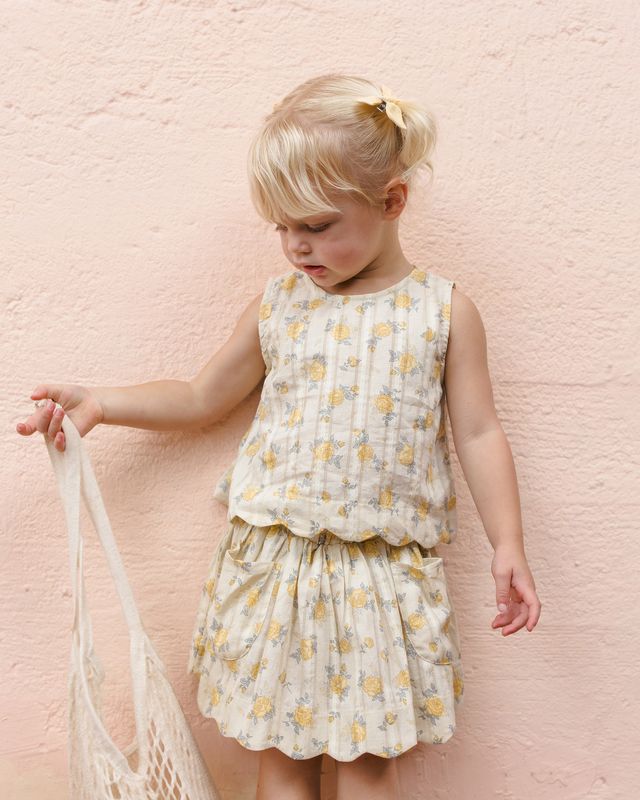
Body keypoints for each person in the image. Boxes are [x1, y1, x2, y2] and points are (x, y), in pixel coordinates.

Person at [17, 74, 541, 800]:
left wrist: (508, 542)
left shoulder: (442, 311)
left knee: (368, 763)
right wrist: (103, 402)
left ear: (392, 201)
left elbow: (479, 432)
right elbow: (201, 395)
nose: (297, 246)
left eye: (318, 226)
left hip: (379, 576)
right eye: (283, 228)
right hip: (278, 569)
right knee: (283, 758)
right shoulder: (280, 306)